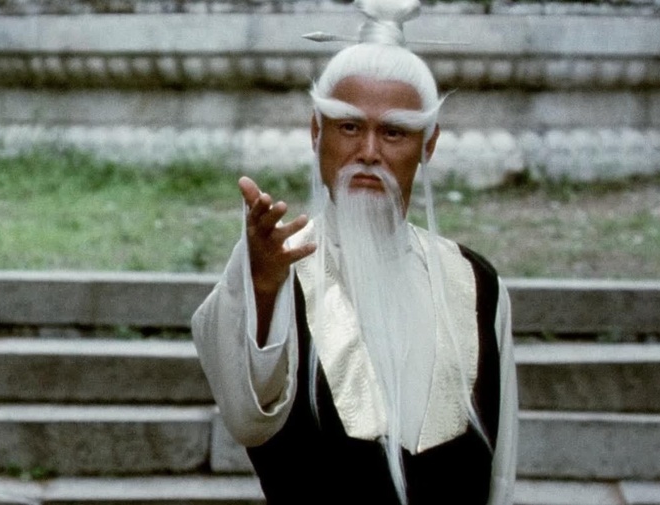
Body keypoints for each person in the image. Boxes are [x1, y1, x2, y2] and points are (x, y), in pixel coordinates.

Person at [191, 0, 518, 503]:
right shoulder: (277, 266)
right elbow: (246, 416)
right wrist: (262, 286)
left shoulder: (476, 284)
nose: (369, 152)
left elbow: (501, 475)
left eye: (394, 132)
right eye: (348, 127)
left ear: (428, 145)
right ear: (315, 132)